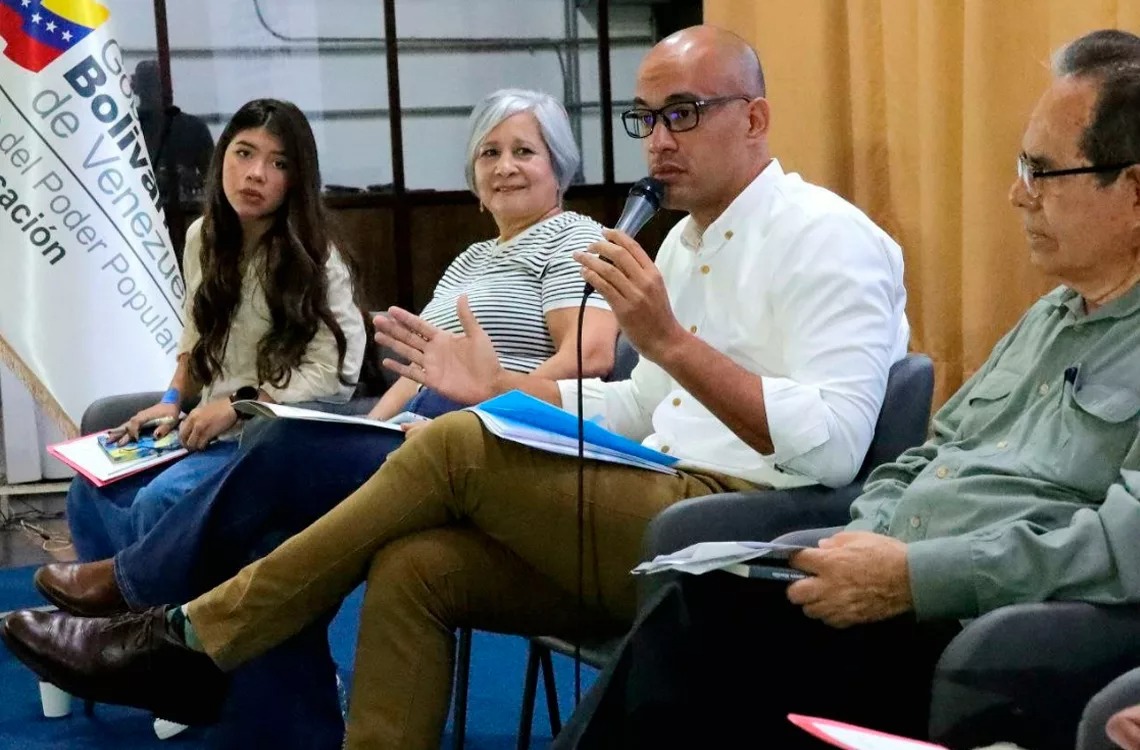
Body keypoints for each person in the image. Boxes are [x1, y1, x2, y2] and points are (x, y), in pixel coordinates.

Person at [0, 25, 911, 750]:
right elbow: (637, 407)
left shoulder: (830, 238)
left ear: (754, 118)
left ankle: (185, 636)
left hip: (729, 527)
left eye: (685, 113)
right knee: (416, 565)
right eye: (646, 119)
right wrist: (501, 388)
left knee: (428, 445)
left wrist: (665, 344)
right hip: (635, 494)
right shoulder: (680, 243)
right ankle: (197, 648)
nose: (660, 141)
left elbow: (834, 446)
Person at [535, 28, 1140, 750]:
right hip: (893, 571)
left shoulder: (824, 237)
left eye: (1043, 172)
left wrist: (918, 576)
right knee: (699, 599)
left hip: (977, 611)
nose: (1017, 195)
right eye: (1021, 167)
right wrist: (867, 534)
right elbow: (932, 454)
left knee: (706, 646)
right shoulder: (1051, 316)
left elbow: (1122, 543)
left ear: (1134, 192)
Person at [37, 88, 620, 749]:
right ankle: (268, 710)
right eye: (490, 153)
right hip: (416, 431)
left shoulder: (576, 238)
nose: (505, 166)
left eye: (524, 152)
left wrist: (485, 400)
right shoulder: (472, 258)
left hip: (491, 436)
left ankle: (141, 604)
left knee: (279, 442)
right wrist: (375, 429)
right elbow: (417, 375)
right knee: (264, 527)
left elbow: (589, 359)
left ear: (560, 165)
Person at [65, 97, 367, 569]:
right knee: (88, 490)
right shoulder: (202, 237)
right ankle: (124, 603)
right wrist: (172, 398)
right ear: (222, 155)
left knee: (161, 501)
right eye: (244, 153)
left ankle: (152, 598)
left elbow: (336, 371)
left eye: (278, 163)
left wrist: (239, 404)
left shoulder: (316, 258)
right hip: (204, 433)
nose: (255, 174)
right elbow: (196, 331)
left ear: (296, 180)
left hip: (267, 445)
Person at [133, 60, 215, 205]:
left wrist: (189, 178)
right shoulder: (126, 129)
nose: (153, 91)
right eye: (148, 85)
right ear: (136, 88)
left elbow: (213, 178)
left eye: (157, 85)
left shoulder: (194, 128)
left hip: (183, 211)